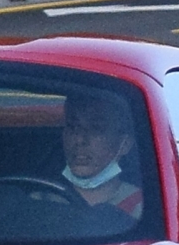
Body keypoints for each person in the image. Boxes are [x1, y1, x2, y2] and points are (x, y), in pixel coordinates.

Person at [59, 90, 144, 219]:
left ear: (124, 144)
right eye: (73, 127)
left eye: (96, 128)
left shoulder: (142, 210)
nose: (80, 140)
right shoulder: (40, 201)